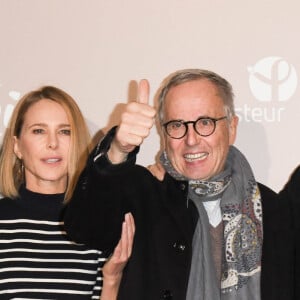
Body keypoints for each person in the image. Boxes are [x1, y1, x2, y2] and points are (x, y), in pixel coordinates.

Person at [64, 69, 292, 299]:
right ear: (163, 133)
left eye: (205, 122)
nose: (191, 139)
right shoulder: (143, 193)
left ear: (231, 128)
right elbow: (85, 227)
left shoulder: (272, 210)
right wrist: (117, 150)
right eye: (176, 125)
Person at [0, 86, 135, 299]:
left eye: (64, 131)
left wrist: (112, 280)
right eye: (38, 131)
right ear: (17, 146)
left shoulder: (95, 220)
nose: (53, 143)